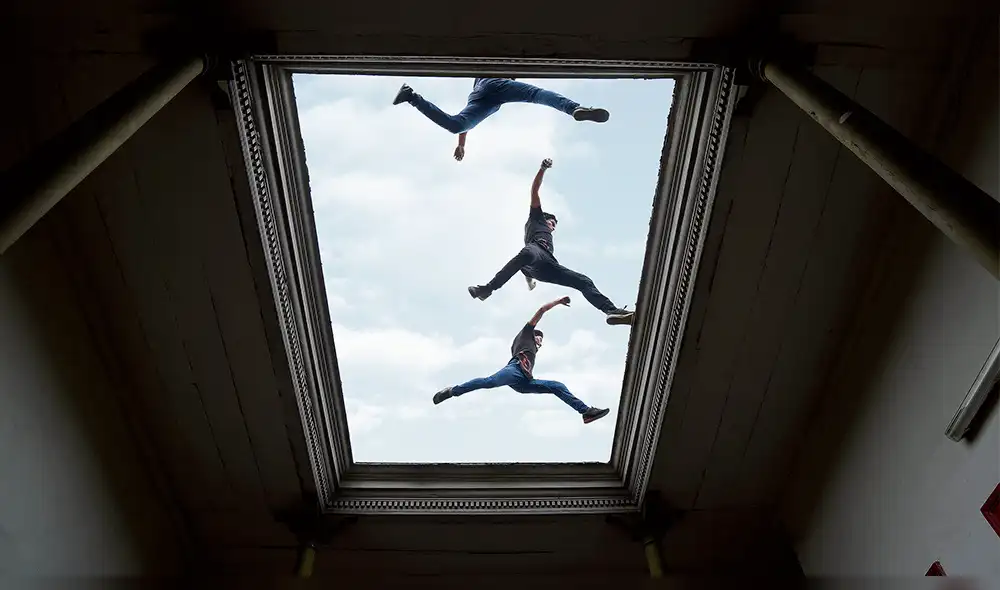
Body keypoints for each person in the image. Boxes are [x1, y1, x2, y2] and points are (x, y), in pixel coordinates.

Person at [467, 158, 635, 326]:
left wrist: (530, 281)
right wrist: (542, 169)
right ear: (544, 219)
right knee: (528, 253)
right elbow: (534, 190)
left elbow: (525, 268)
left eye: (554, 226)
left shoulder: (542, 241)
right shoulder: (536, 218)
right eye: (552, 223)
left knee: (584, 281)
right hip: (536, 251)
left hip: (546, 266)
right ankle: (487, 289)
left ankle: (611, 311)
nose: (553, 227)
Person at [432, 296, 611, 424]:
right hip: (514, 370)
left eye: (541, 339)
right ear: (532, 334)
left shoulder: (529, 348)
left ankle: (586, 412)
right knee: (489, 382)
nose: (540, 341)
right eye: (538, 337)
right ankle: (452, 391)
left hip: (524, 381)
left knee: (558, 386)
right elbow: (541, 311)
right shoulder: (526, 334)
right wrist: (558, 302)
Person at [393, 78, 610, 161]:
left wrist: (461, 144)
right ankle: (574, 109)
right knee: (537, 95)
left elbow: (465, 124)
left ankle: (410, 95)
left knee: (457, 124)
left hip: (481, 92)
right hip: (496, 84)